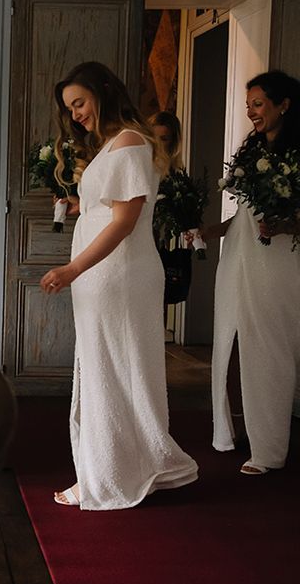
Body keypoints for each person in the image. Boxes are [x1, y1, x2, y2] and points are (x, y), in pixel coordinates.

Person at [40, 62, 198, 510]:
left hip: (115, 274)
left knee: (111, 370)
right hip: (105, 274)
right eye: (70, 108)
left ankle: (110, 475)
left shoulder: (129, 143)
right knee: (105, 368)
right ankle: (126, 464)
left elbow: (125, 222)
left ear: (104, 92)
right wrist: (78, 205)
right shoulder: (116, 144)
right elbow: (108, 209)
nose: (75, 115)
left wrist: (73, 270)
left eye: (80, 103)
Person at [198, 70, 300, 475]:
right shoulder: (251, 151)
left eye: (258, 104)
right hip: (237, 255)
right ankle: (227, 430)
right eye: (249, 105)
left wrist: (286, 225)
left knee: (270, 347)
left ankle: (269, 449)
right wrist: (211, 230)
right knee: (229, 341)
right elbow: (243, 215)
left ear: (283, 105)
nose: (251, 112)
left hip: (276, 261)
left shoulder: (295, 156)